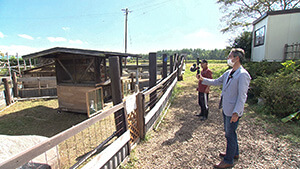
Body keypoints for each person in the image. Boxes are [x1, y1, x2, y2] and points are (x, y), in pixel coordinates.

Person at [197, 48, 251, 168]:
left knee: (229, 134)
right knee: (230, 132)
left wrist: (236, 112)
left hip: (233, 110)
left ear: (236, 58)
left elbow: (242, 96)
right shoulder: (229, 72)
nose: (228, 58)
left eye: (230, 56)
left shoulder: (243, 75)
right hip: (227, 107)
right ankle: (234, 153)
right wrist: (203, 80)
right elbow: (216, 81)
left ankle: (228, 160)